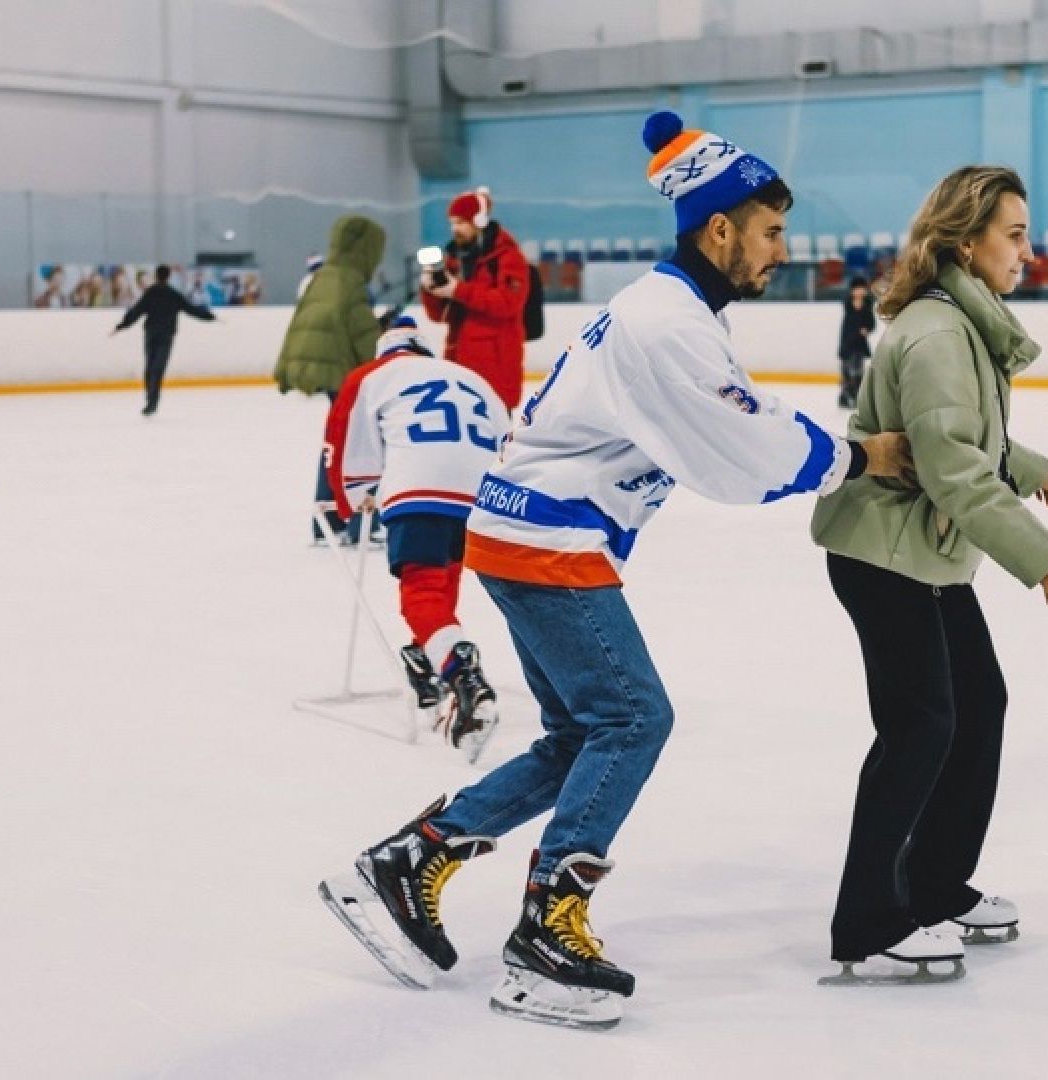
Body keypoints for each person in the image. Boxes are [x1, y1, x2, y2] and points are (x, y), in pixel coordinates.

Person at [317, 110, 912, 1031]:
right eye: (768, 231)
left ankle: (409, 863)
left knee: (577, 735)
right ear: (719, 231)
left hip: (522, 528)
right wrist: (859, 457)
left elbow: (727, 428)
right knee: (634, 718)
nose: (780, 250)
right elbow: (745, 444)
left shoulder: (669, 311)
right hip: (545, 538)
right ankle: (544, 932)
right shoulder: (666, 323)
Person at [810, 166, 1048, 985]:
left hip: (918, 553)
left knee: (976, 705)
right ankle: (868, 920)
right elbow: (952, 467)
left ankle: (931, 884)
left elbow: (961, 432)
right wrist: (1039, 554)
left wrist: (1023, 464)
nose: (1027, 252)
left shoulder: (961, 323)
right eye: (1015, 235)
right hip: (881, 554)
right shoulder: (937, 334)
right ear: (967, 243)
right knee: (920, 725)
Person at [322, 315, 510, 753]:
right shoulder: (471, 378)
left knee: (421, 591)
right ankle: (424, 658)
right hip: (481, 493)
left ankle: (463, 676)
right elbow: (509, 438)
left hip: (419, 486)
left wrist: (355, 495)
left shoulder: (373, 375)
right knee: (445, 578)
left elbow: (345, 438)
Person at [274, 216, 387, 543]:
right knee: (364, 445)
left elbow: (312, 322)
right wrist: (386, 356)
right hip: (342, 371)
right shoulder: (351, 281)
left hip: (324, 368)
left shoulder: (324, 276)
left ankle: (327, 523)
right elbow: (363, 336)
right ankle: (361, 524)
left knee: (337, 444)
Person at [419, 187, 530, 411]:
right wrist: (430, 290)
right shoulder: (454, 259)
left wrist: (457, 290)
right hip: (459, 363)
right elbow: (439, 316)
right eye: (452, 223)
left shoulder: (508, 258)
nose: (455, 229)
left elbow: (507, 303)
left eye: (461, 222)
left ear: (479, 221)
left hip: (495, 366)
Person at [111, 263, 215, 416]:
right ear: (168, 276)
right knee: (158, 368)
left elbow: (136, 311)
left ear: (156, 275)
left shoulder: (150, 293)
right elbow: (191, 309)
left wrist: (122, 325)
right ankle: (152, 402)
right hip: (166, 335)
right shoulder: (173, 294)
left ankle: (150, 400)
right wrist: (209, 316)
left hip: (151, 333)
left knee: (150, 366)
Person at [837, 276, 876, 408]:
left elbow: (871, 323)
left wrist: (867, 329)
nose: (859, 291)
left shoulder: (867, 306)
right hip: (847, 343)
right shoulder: (848, 304)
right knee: (846, 372)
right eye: (857, 289)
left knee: (857, 372)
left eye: (861, 289)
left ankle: (856, 397)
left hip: (859, 345)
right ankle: (844, 396)